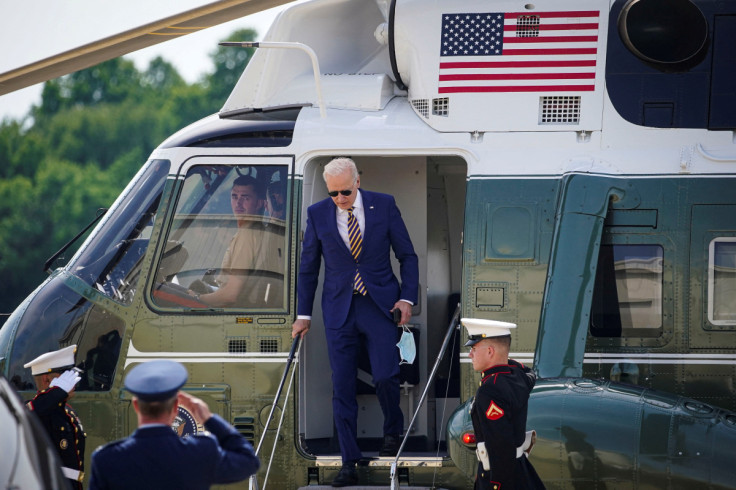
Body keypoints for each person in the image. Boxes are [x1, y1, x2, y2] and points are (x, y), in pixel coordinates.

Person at [291, 157, 419, 486]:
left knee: (387, 375)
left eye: (345, 191)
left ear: (357, 181)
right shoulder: (318, 213)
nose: (339, 199)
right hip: (338, 309)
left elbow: (408, 255)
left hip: (378, 305)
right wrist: (302, 315)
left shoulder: (384, 205)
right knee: (342, 385)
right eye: (333, 193)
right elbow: (308, 269)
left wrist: (407, 297)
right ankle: (349, 460)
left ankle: (393, 431)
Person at [88, 360, 259, 489]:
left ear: (135, 405)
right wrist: (209, 418)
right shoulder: (200, 452)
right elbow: (249, 462)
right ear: (176, 407)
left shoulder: (106, 460)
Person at [463, 318, 545, 490]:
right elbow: (529, 372)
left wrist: (497, 485)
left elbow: (501, 445)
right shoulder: (517, 378)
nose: (470, 354)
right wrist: (505, 359)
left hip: (500, 477)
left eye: (474, 348)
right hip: (520, 470)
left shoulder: (489, 389)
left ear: (490, 351)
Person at [191, 175, 284, 308]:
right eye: (235, 197)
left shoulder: (247, 235)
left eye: (245, 198)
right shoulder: (255, 231)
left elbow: (230, 295)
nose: (238, 203)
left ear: (259, 203)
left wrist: (195, 298)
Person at [24, 344, 86, 489]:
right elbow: (25, 415)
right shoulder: (36, 410)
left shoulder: (67, 411)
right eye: (66, 377)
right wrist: (56, 393)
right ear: (47, 380)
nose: (74, 382)